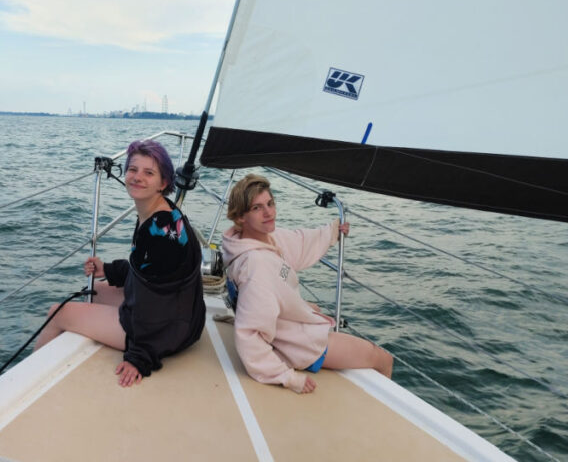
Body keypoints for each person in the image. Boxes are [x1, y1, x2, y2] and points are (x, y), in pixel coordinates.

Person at [34, 139, 206, 387]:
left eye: (149, 173)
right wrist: (108, 270)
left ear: (163, 183)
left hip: (168, 329)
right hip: (183, 315)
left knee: (56, 313)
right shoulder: (160, 212)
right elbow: (149, 273)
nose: (137, 177)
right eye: (133, 169)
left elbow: (152, 304)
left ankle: (28, 382)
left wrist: (140, 357)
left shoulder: (159, 233)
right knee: (93, 291)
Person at [220, 174, 393, 394]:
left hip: (283, 328)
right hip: (298, 345)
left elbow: (299, 242)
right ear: (240, 217)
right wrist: (287, 377)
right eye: (257, 208)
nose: (268, 212)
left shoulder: (255, 240)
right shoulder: (258, 265)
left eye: (270, 203)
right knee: (382, 358)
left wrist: (333, 232)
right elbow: (250, 334)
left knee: (315, 308)